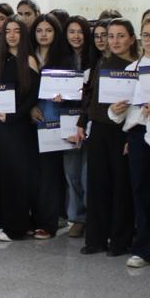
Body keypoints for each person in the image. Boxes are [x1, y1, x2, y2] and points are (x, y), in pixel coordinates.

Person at [75, 18, 136, 256]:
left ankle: (119, 240)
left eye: (121, 36)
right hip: (99, 128)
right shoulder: (103, 62)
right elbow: (91, 97)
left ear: (132, 38)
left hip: (122, 131)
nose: (115, 41)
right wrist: (84, 121)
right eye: (111, 36)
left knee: (120, 186)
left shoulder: (136, 67)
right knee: (97, 184)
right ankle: (96, 238)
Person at [0, 17, 41, 242]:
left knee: (13, 177)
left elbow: (32, 97)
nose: (12, 35)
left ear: (23, 35)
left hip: (17, 128)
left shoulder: (30, 60)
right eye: (8, 31)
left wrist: (13, 116)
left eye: (17, 31)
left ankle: (15, 227)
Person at [111, 13, 150, 269]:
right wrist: (115, 110)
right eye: (147, 35)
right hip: (136, 135)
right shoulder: (131, 70)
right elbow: (119, 113)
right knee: (141, 191)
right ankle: (143, 247)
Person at [30, 14, 67, 240]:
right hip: (30, 120)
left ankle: (48, 222)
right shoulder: (28, 55)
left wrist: (66, 96)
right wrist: (29, 109)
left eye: (49, 30)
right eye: (39, 30)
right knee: (33, 172)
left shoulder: (64, 57)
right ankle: (33, 218)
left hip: (54, 120)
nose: (43, 35)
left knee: (50, 173)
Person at [61, 15, 93, 238]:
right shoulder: (61, 60)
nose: (76, 36)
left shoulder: (95, 58)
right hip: (67, 121)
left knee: (87, 173)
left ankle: (92, 217)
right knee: (71, 172)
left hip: (89, 120)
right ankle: (77, 217)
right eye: (71, 31)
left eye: (80, 31)